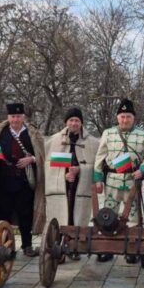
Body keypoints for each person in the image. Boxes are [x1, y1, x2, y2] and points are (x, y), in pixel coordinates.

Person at [0, 103, 46, 257]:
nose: (15, 119)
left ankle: (27, 245)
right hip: (2, 181)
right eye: (12, 116)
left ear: (24, 117)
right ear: (8, 117)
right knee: (2, 215)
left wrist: (31, 159)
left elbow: (42, 156)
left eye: (18, 116)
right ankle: (5, 246)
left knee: (26, 215)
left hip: (24, 182)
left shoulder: (33, 134)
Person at [93, 98, 144, 263]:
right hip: (113, 180)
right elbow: (100, 156)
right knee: (109, 215)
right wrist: (98, 178)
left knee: (132, 216)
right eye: (122, 116)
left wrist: (143, 169)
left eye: (128, 116)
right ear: (117, 118)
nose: (125, 120)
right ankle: (107, 248)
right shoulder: (108, 133)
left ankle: (131, 250)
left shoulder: (143, 135)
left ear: (133, 118)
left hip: (133, 181)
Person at [44, 107, 99, 260]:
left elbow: (97, 165)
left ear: (81, 123)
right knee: (61, 216)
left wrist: (80, 170)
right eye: (71, 120)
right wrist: (64, 175)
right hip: (62, 187)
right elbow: (47, 164)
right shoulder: (55, 140)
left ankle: (75, 247)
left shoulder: (92, 143)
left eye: (77, 120)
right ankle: (58, 248)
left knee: (78, 216)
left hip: (81, 187)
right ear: (66, 122)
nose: (74, 123)